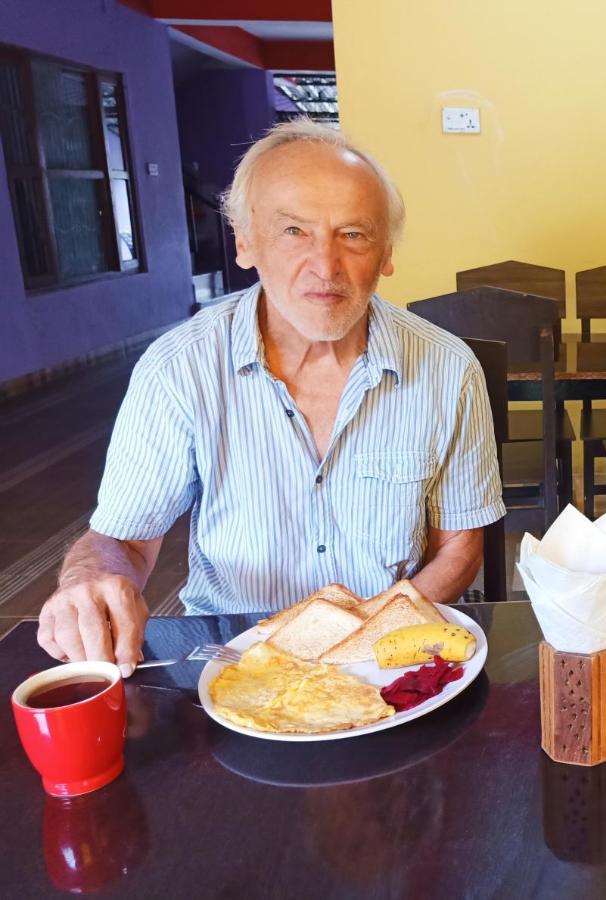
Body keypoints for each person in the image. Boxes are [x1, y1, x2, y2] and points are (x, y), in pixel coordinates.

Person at [38, 120, 505, 674]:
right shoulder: (179, 369)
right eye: (293, 231)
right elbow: (124, 542)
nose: (325, 266)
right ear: (245, 241)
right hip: (234, 659)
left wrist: (358, 651)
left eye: (354, 233)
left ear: (386, 254)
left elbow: (459, 548)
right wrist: (87, 584)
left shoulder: (448, 369)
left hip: (389, 657)